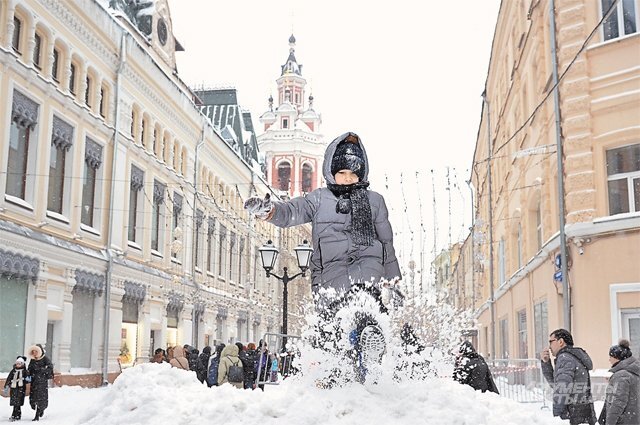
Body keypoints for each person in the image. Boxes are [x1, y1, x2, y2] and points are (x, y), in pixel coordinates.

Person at [541, 329, 597, 424]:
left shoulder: (565, 358)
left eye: (551, 341)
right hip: (582, 413)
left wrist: (558, 417)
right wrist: (546, 363)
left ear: (561, 342)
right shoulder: (573, 357)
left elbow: (561, 388)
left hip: (572, 414)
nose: (549, 347)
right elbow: (556, 383)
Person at [598, 339, 639, 425]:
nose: (609, 360)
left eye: (610, 357)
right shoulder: (632, 372)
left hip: (623, 421)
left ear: (617, 358)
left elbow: (618, 403)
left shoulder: (622, 375)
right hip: (633, 419)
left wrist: (610, 422)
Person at [27, 344, 54, 421]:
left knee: (40, 398)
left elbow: (50, 367)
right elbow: (29, 368)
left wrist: (42, 370)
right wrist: (28, 373)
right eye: (33, 351)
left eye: (36, 351)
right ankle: (39, 409)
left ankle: (37, 414)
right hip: (34, 381)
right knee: (33, 398)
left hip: (42, 382)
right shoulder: (32, 360)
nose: (34, 353)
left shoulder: (45, 358)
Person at [3, 356, 29, 421]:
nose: (18, 365)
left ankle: (17, 415)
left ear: (22, 364)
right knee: (15, 403)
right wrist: (7, 386)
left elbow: (28, 379)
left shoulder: (24, 371)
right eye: (17, 363)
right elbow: (9, 378)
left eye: (19, 363)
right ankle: (14, 414)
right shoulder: (13, 371)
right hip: (14, 389)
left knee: (18, 403)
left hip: (21, 389)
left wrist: (25, 379)